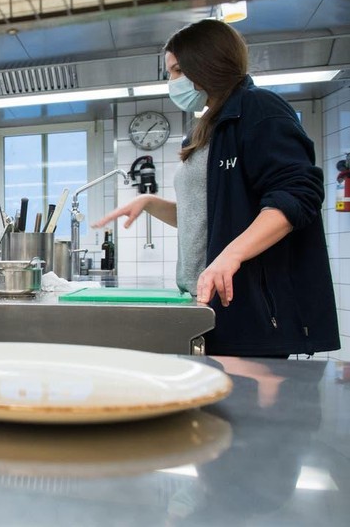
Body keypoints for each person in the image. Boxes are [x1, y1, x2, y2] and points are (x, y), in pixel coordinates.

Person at [94, 19, 339, 357]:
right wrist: (150, 202)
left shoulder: (259, 109)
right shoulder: (207, 128)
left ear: (205, 62)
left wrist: (232, 255)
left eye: (178, 70)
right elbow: (211, 215)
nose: (173, 82)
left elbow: (297, 195)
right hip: (209, 306)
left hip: (249, 309)